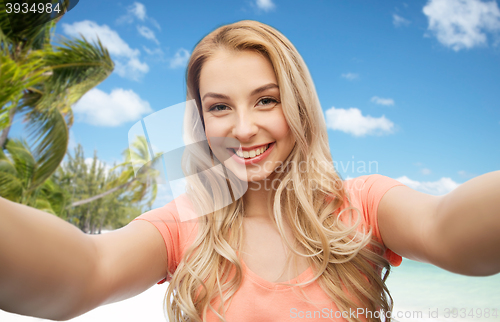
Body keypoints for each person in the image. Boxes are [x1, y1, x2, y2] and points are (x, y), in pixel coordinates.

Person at [0, 20, 499, 322]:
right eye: (219, 107)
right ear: (199, 121)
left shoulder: (363, 203)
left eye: (266, 100)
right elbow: (85, 272)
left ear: (299, 104)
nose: (243, 128)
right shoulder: (184, 225)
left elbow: (448, 233)